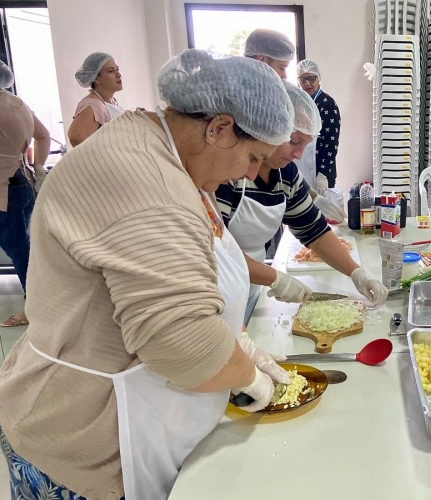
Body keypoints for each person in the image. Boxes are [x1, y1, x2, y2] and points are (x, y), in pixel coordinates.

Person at [0, 49, 296, 500]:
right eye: (254, 157)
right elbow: (183, 346)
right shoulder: (149, 182)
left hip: (126, 414)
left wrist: (237, 345)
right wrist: (245, 374)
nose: (251, 174)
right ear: (217, 129)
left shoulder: (159, 147)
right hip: (78, 439)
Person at [216, 81, 385, 324]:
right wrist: (275, 278)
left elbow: (313, 231)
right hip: (220, 283)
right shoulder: (228, 173)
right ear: (270, 127)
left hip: (253, 282)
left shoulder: (286, 174)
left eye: (305, 146)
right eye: (294, 142)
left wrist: (356, 273)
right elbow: (217, 251)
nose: (298, 154)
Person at [0, 61, 50, 328]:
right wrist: (38, 166)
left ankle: (35, 306)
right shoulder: (18, 104)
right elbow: (43, 136)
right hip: (23, 183)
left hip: (4, 191)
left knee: (20, 250)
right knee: (25, 247)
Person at [298, 59, 341, 190]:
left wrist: (323, 174)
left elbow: (331, 142)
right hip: (302, 167)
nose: (307, 84)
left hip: (322, 170)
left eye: (311, 79)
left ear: (319, 78)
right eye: (302, 79)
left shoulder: (327, 104)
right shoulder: (299, 102)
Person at [68, 52, 124, 147]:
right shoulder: (93, 105)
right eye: (111, 71)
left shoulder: (111, 101)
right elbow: (76, 137)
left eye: (117, 69)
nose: (118, 74)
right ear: (96, 78)